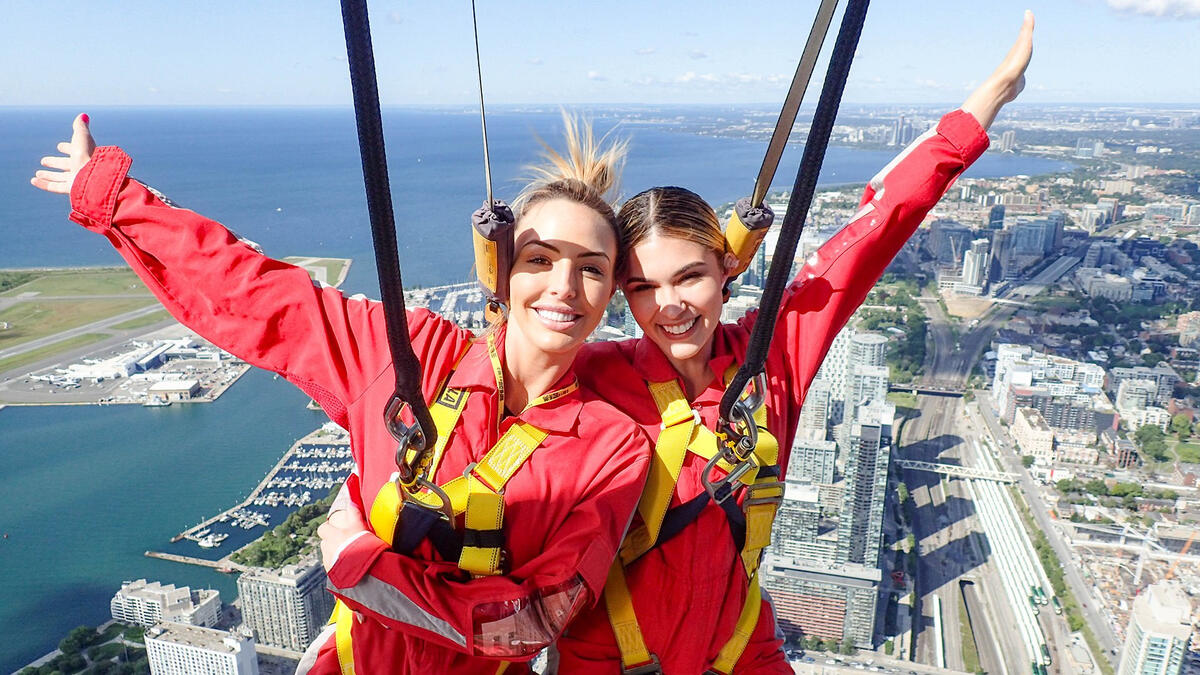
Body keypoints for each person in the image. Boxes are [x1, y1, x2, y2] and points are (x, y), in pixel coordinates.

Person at [32, 116, 651, 674]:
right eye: (540, 259)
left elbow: (532, 624)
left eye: (592, 267)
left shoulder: (613, 449)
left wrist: (359, 561)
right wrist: (116, 199)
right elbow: (257, 295)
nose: (564, 285)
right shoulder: (410, 355)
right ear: (498, 268)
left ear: (610, 292)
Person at [558, 12, 1036, 674]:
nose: (668, 303)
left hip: (739, 650)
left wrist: (988, 100)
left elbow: (874, 229)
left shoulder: (770, 355)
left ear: (728, 268)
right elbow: (489, 374)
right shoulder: (591, 374)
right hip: (605, 657)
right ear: (622, 295)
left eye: (690, 275)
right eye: (643, 286)